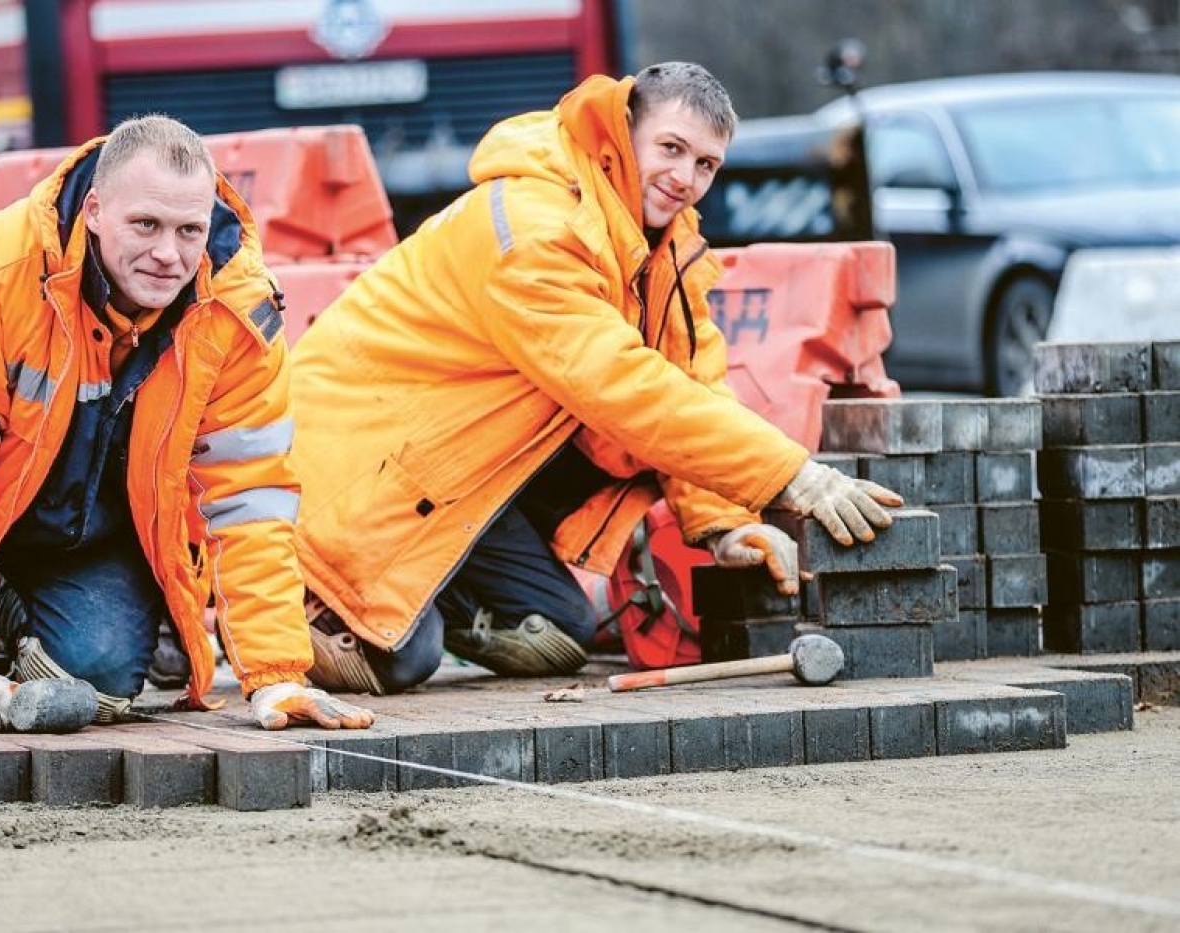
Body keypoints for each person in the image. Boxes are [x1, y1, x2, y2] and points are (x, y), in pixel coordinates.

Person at [289, 63, 902, 695]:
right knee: (402, 661)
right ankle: (283, 598)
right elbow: (621, 385)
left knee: (560, 631)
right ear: (622, 129)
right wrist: (794, 477)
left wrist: (722, 522)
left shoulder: (663, 242)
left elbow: (691, 379)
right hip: (358, 458)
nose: (685, 178)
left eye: (706, 165)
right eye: (671, 148)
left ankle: (418, 592)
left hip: (453, 466)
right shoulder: (535, 224)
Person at [0, 115, 373, 734]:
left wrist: (275, 674)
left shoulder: (238, 313)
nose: (168, 254)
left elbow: (249, 497)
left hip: (71, 532)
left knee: (103, 675)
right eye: (145, 224)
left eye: (189, 231)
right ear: (93, 209)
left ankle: (5, 612)